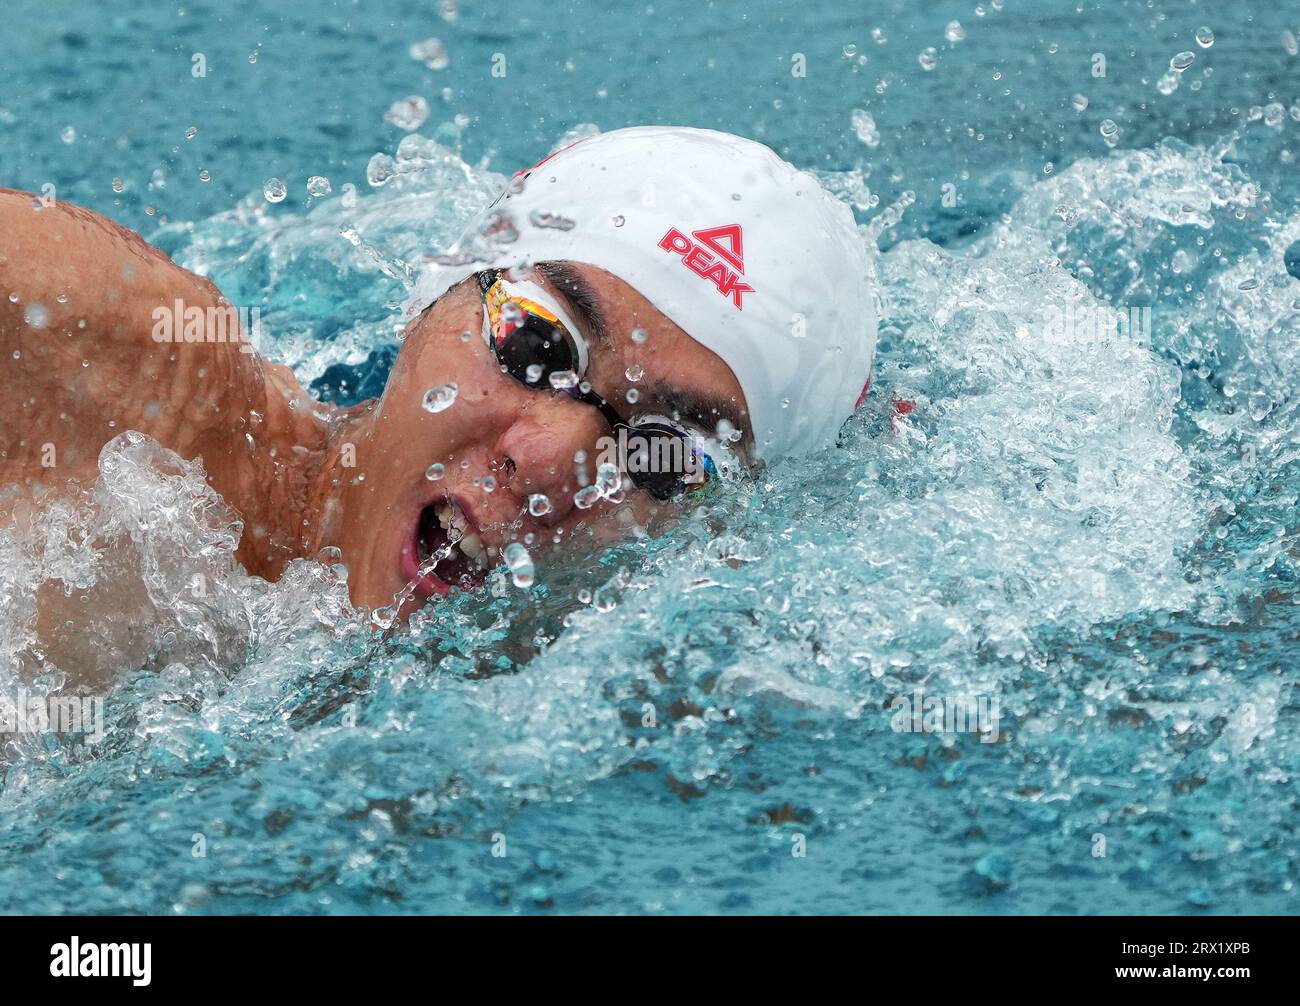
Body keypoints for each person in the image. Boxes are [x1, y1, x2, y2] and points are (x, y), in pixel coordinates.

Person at [0, 126, 876, 618]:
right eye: (537, 342)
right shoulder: (88, 356)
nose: (550, 460)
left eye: (665, 457)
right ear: (438, 289)